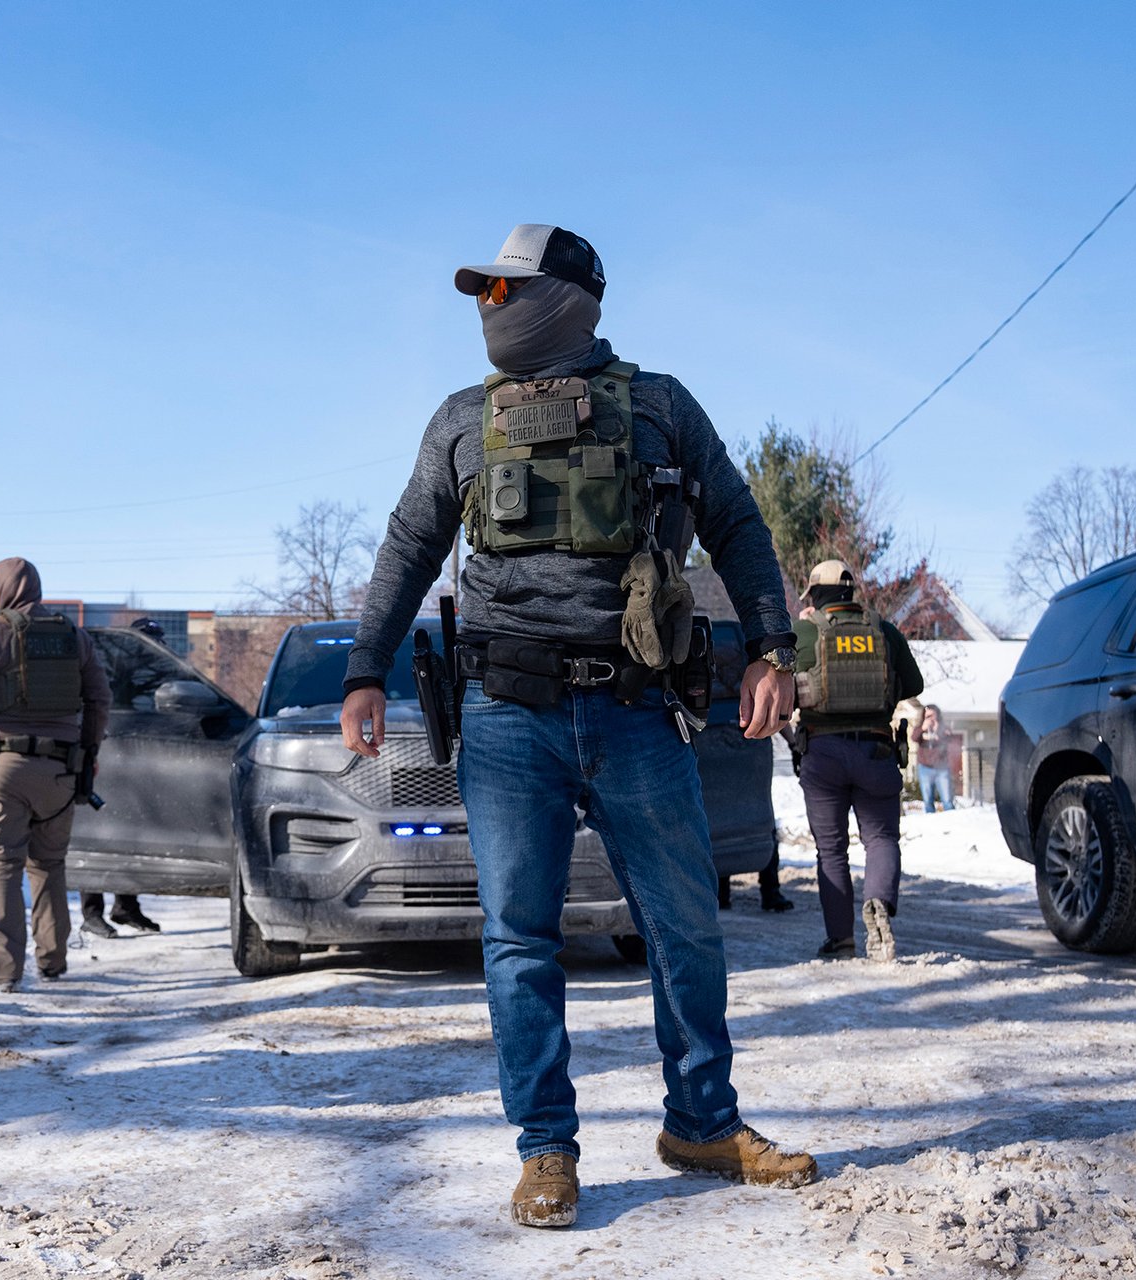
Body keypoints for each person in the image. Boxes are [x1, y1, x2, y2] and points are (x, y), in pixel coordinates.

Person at [338, 225, 817, 1228]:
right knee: (520, 936)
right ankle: (546, 1149)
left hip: (639, 706)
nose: (490, 303)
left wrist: (773, 644)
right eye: (483, 289)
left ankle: (702, 1120)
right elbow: (410, 542)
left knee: (684, 923)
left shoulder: (661, 404)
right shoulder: (463, 419)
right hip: (508, 712)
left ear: (573, 294)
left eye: (507, 286)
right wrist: (363, 669)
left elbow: (735, 520)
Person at [0, 558, 111, 991]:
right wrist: (86, 751)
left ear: (4, 591)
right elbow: (99, 699)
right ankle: (52, 961)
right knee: (49, 864)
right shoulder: (74, 637)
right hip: (60, 771)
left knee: (0, 867)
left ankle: (5, 971)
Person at [791, 560, 925, 963]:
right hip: (876, 749)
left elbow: (784, 680)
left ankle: (841, 940)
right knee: (881, 839)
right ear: (850, 593)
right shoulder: (883, 629)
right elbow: (914, 684)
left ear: (814, 594)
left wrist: (803, 630)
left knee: (831, 850)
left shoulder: (806, 630)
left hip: (823, 752)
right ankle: (879, 906)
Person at [914, 703, 954, 813]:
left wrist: (938, 731)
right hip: (925, 768)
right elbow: (914, 738)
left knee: (947, 800)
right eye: (927, 716)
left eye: (932, 715)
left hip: (941, 768)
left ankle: (953, 822)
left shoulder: (943, 728)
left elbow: (949, 739)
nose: (930, 718)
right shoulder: (921, 728)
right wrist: (923, 728)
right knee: (927, 800)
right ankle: (930, 823)